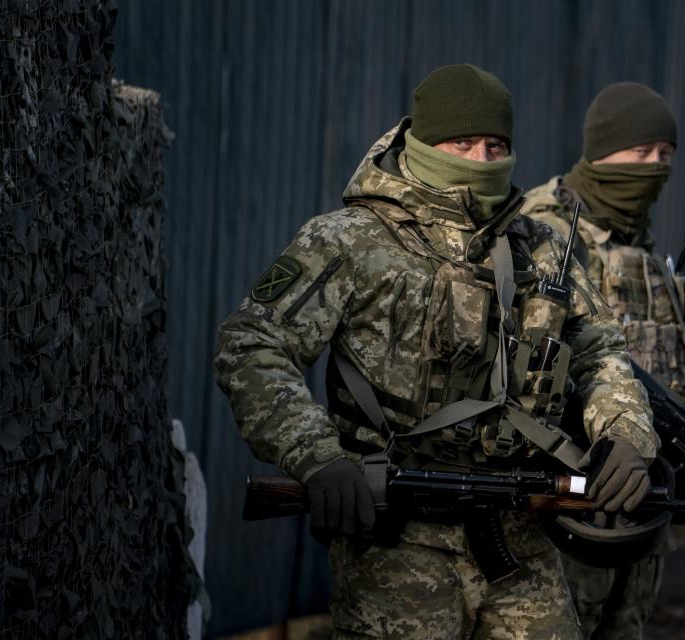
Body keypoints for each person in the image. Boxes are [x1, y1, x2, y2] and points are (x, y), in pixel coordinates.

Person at [214, 65, 660, 640]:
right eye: (462, 143)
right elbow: (252, 342)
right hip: (397, 542)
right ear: (423, 144)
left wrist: (626, 434)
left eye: (495, 145)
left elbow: (601, 350)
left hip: (520, 534)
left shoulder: (542, 249)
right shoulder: (351, 239)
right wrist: (317, 455)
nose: (480, 158)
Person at [521, 82, 685, 640]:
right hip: (573, 498)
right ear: (602, 151)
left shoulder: (645, 251)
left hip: (644, 501)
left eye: (666, 156)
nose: (654, 168)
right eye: (641, 153)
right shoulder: (544, 234)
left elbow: (677, 367)